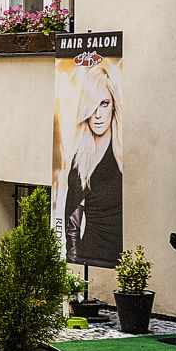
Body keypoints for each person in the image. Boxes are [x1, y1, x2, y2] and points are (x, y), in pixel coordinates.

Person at [62, 58, 124, 265]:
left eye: (104, 104)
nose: (97, 115)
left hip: (122, 258)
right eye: (92, 106)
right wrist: (74, 265)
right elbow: (72, 227)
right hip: (91, 256)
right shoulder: (80, 161)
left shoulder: (123, 155)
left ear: (114, 106)